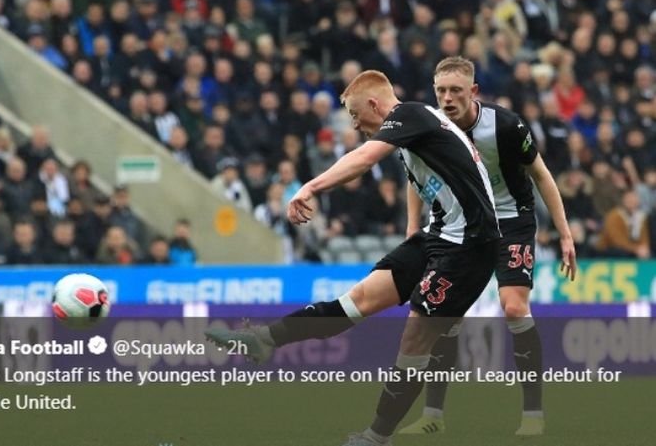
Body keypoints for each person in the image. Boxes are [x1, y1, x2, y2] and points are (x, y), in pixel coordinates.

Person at [207, 69, 502, 446]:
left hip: (471, 246)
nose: (355, 123)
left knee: (415, 337)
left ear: (375, 105)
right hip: (439, 237)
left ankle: (376, 437)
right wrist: (415, 231)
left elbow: (364, 160)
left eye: (354, 114)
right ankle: (264, 339)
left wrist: (310, 187)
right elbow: (432, 181)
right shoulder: (415, 133)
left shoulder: (410, 115)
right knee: (357, 300)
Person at [398, 56, 576, 437]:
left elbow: (542, 176)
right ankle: (433, 415)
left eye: (456, 91)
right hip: (460, 223)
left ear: (473, 92)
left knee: (514, 307)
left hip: (510, 219)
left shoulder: (507, 126)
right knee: (445, 317)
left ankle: (533, 414)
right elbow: (416, 175)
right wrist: (413, 226)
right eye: (441, 91)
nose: (447, 98)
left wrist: (564, 233)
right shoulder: (428, 126)